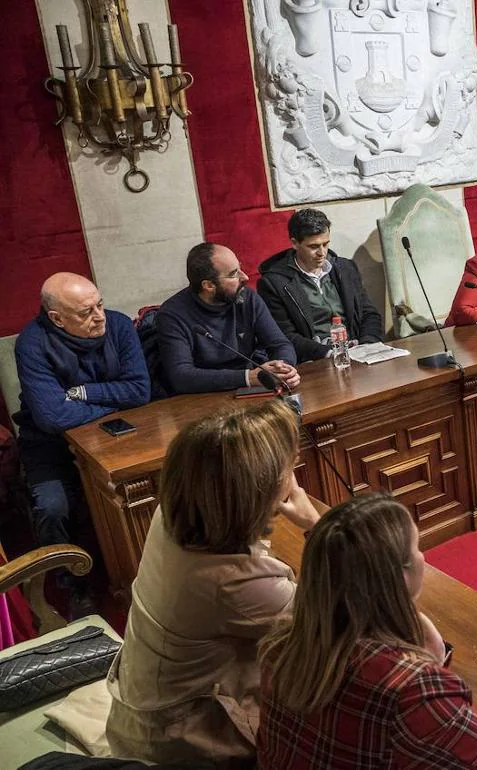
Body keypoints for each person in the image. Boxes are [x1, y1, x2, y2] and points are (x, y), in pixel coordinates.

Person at [258, 493, 477, 769]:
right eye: (416, 548)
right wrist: (430, 667)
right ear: (400, 577)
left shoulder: (281, 643)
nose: (422, 557)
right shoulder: (410, 691)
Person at [107, 400, 320, 764]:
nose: (295, 472)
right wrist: (316, 527)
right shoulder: (234, 583)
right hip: (180, 740)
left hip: (137, 708)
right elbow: (334, 619)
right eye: (289, 466)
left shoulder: (173, 516)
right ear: (254, 493)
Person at [14, 273, 149, 606]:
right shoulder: (32, 344)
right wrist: (113, 402)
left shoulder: (117, 326)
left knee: (140, 490)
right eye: (86, 312)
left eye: (99, 304)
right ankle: (74, 585)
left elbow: (141, 391)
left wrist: (81, 394)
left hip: (114, 438)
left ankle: (139, 571)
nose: (99, 316)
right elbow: (52, 417)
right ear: (57, 319)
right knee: (53, 508)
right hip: (50, 446)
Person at [156, 242, 299, 394]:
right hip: (201, 397)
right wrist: (248, 377)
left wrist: (284, 369)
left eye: (240, 268)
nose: (244, 277)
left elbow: (280, 344)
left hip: (251, 390)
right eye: (233, 274)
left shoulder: (246, 297)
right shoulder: (171, 315)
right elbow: (181, 377)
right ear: (209, 285)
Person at [257, 209, 384, 363]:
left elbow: (369, 314)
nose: (322, 252)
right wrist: (329, 353)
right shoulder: (274, 282)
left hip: (358, 352)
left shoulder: (346, 268)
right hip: (315, 359)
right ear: (295, 243)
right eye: (313, 246)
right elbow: (284, 335)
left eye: (325, 244)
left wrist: (367, 345)